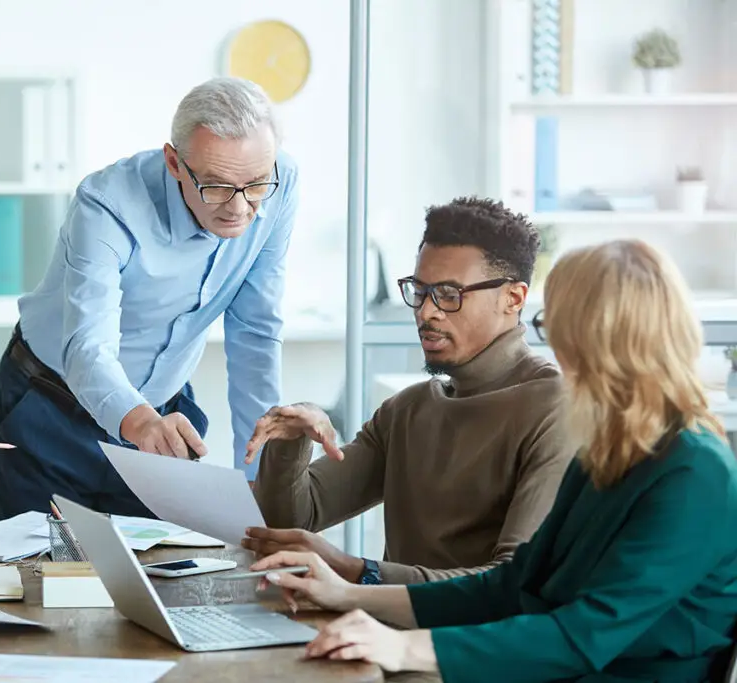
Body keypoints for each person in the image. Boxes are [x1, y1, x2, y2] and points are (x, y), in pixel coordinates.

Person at [252, 239, 737, 682]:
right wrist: (349, 595)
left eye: (557, 326)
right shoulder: (612, 447)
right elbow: (512, 584)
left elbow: (582, 633)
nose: (556, 347)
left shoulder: (694, 470)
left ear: (601, 338)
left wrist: (408, 648)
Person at [0, 76, 299, 520]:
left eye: (255, 186)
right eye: (215, 186)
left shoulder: (282, 179)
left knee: (162, 568)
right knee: (45, 572)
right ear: (174, 162)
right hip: (50, 402)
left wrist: (256, 476)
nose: (239, 208)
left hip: (163, 409)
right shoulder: (107, 204)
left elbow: (255, 330)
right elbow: (87, 346)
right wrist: (138, 422)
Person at [243, 197, 573, 585]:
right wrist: (292, 443)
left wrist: (356, 571)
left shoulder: (558, 410)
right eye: (420, 290)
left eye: (449, 294)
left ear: (513, 298)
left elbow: (514, 582)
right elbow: (292, 521)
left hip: (461, 644)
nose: (426, 312)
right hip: (376, 633)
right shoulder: (408, 409)